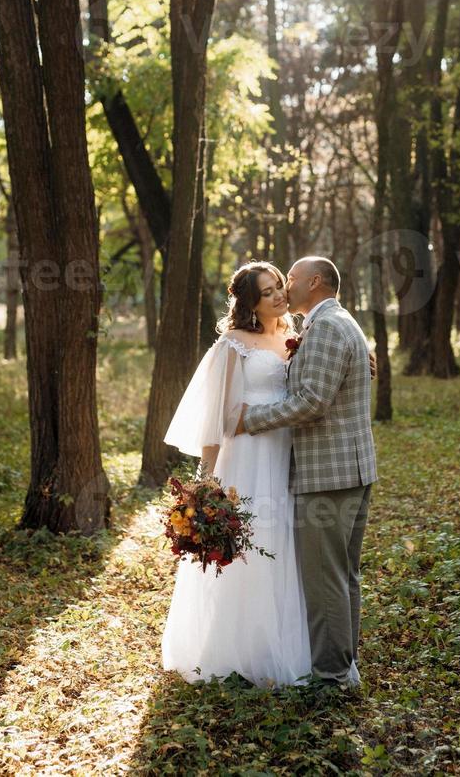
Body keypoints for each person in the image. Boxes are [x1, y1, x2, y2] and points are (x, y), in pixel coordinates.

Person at [161, 262, 312, 688]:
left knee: (282, 540)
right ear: (249, 302)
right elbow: (220, 416)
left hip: (286, 452)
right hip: (246, 455)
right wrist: (206, 479)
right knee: (250, 541)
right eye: (267, 292)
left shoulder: (296, 335)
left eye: (279, 286)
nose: (279, 295)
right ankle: (232, 647)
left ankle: (279, 641)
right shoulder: (234, 344)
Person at [238, 256, 377, 688]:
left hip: (328, 475)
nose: (286, 286)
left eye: (292, 279)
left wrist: (251, 419)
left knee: (325, 580)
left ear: (314, 282)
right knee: (342, 575)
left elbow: (312, 402)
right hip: (347, 470)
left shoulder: (328, 327)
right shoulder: (333, 324)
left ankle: (332, 678)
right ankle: (345, 667)